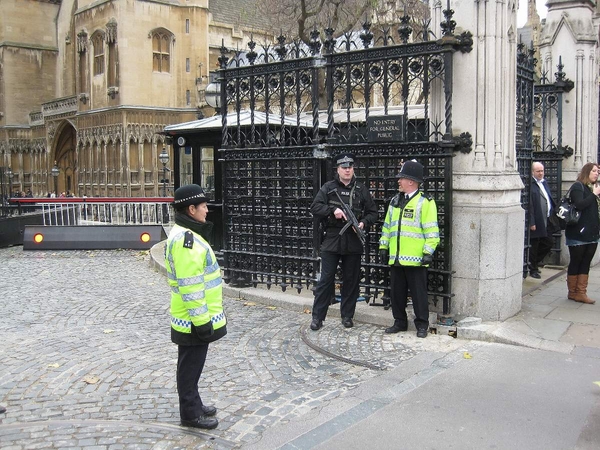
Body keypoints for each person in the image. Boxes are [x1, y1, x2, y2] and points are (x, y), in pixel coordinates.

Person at [166, 184, 227, 429]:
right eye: (203, 207)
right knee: (190, 366)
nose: (207, 211)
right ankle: (190, 414)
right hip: (193, 319)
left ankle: (194, 403)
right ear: (191, 209)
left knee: (191, 364)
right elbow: (191, 287)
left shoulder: (186, 233)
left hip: (192, 317)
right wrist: (203, 322)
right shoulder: (186, 240)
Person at [309, 153, 378, 331]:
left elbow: (373, 213)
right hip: (332, 239)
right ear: (338, 169)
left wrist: (363, 222)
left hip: (353, 241)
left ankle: (347, 315)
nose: (347, 170)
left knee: (351, 280)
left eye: (350, 167)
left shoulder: (361, 189)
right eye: (344, 167)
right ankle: (318, 317)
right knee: (326, 280)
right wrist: (333, 211)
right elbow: (315, 207)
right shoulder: (328, 187)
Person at [379, 160, 440, 338]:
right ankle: (399, 322)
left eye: (402, 178)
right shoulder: (395, 201)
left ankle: (422, 325)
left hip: (416, 258)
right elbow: (387, 226)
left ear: (411, 181)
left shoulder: (425, 202)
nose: (399, 181)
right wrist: (384, 246)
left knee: (418, 294)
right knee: (396, 293)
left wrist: (428, 252)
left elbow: (432, 230)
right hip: (397, 257)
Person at [565, 162, 600, 304]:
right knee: (576, 261)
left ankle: (580, 292)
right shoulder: (578, 187)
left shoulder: (594, 188)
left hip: (592, 232)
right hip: (578, 233)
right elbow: (579, 205)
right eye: (594, 171)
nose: (597, 173)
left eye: (598, 171)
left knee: (586, 262)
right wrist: (594, 195)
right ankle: (573, 292)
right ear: (587, 172)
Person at [528, 162, 558, 279]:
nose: (541, 173)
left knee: (548, 242)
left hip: (547, 219)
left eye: (542, 171)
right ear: (532, 172)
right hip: (537, 219)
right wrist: (532, 222)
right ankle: (532, 268)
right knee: (534, 245)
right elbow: (530, 205)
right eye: (538, 171)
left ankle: (534, 263)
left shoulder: (544, 183)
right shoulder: (531, 184)